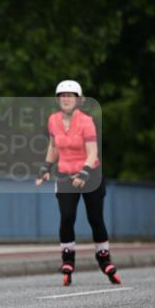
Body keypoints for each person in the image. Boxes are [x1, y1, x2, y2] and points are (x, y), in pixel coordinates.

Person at [35, 79, 121, 286]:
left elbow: (92, 152)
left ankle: (104, 259)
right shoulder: (53, 120)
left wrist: (83, 173)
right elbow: (54, 147)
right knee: (67, 216)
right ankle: (68, 260)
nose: (66, 99)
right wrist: (46, 168)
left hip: (90, 173)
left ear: (79, 100)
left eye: (70, 95)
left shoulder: (86, 121)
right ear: (58, 100)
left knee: (95, 218)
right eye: (62, 96)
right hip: (65, 174)